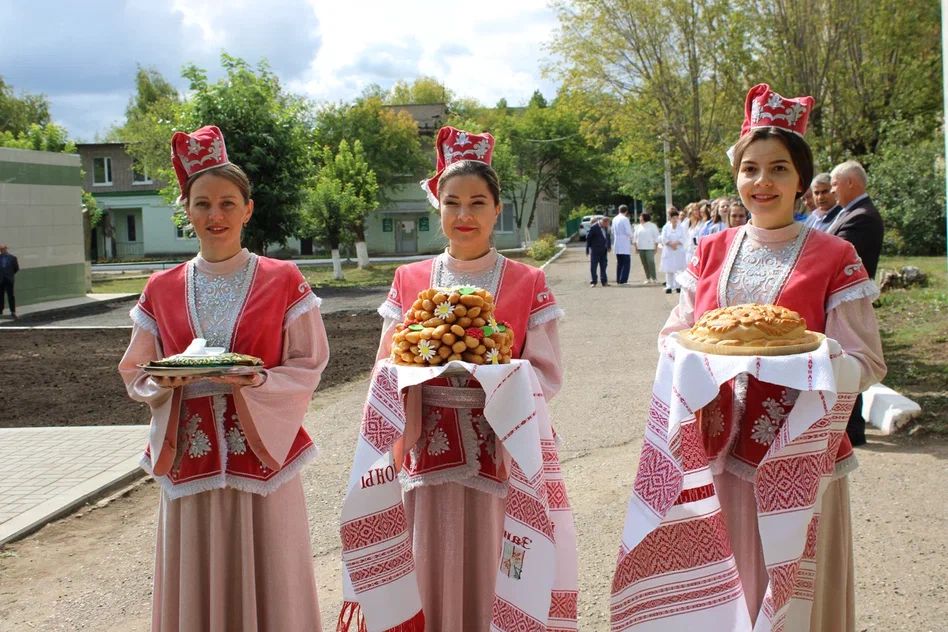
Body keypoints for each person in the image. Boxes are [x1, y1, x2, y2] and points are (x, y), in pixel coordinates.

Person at [661, 84, 885, 630]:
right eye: (751, 169)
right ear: (736, 177)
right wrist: (689, 356)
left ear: (803, 182)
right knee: (725, 583)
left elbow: (867, 361)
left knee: (795, 582)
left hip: (800, 449)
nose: (763, 183)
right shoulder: (711, 249)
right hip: (719, 442)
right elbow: (674, 334)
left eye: (779, 169)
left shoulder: (836, 255)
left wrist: (812, 360)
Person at [118, 125, 328, 631]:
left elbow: (308, 361)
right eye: (202, 204)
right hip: (190, 453)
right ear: (186, 210)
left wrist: (255, 382)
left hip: (261, 451)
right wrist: (160, 386)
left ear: (247, 210)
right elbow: (137, 368)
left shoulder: (283, 278)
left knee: (269, 568)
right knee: (198, 572)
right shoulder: (161, 287)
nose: (215, 216)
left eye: (228, 204)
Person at [370, 126, 566, 630]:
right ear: (437, 206)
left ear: (497, 209)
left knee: (497, 561)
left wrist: (498, 379)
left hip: (498, 447)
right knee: (427, 557)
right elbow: (385, 367)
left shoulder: (527, 281)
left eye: (477, 202)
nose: (464, 216)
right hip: (426, 444)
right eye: (452, 202)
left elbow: (546, 372)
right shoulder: (409, 280)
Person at [828, 159, 885, 447]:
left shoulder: (861, 216)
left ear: (851, 182)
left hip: (849, 297)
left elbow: (841, 258)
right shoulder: (849, 212)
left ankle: (852, 430)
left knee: (849, 361)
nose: (832, 189)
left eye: (836, 183)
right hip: (841, 298)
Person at [659, 208, 687, 293]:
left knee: (678, 269)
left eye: (676, 218)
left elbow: (683, 237)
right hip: (669, 250)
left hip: (678, 249)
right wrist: (670, 244)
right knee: (669, 269)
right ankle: (669, 286)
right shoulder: (666, 227)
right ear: (670, 218)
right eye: (673, 218)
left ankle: (678, 286)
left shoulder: (681, 227)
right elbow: (663, 238)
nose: (675, 220)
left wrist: (676, 243)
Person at [633, 212, 660, 284]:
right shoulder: (638, 226)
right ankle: (648, 278)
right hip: (641, 247)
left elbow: (656, 237)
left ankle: (654, 278)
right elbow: (635, 237)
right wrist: (636, 247)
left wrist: (656, 247)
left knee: (650, 262)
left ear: (645, 217)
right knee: (644, 263)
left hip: (650, 247)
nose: (639, 218)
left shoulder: (652, 226)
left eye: (640, 217)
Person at [586, 214, 611, 287]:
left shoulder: (606, 227)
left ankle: (604, 282)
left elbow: (607, 237)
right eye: (607, 224)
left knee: (604, 266)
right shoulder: (594, 227)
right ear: (603, 222)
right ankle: (594, 282)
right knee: (593, 267)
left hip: (604, 250)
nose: (607, 226)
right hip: (595, 251)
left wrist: (608, 246)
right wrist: (590, 248)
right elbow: (588, 238)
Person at [612, 204, 634, 284]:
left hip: (617, 242)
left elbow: (612, 231)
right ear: (626, 211)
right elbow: (628, 231)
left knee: (619, 262)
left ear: (619, 210)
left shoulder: (615, 218)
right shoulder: (625, 219)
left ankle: (618, 279)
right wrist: (632, 237)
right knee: (626, 262)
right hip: (624, 242)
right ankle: (623, 280)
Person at [0, 243, 19, 319]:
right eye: (0, 249)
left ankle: (13, 311)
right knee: (0, 296)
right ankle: (0, 310)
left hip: (9, 279)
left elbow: (16, 268)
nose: (1, 251)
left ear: (6, 249)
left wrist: (10, 275)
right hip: (0, 280)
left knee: (11, 296)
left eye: (3, 249)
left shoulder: (12, 258)